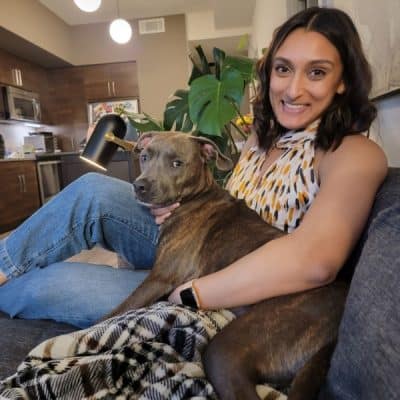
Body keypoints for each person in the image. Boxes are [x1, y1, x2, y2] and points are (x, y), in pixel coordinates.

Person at [0, 6, 388, 395]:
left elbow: (316, 261)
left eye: (316, 72)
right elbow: (223, 201)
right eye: (283, 69)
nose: (293, 89)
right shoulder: (262, 138)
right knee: (91, 190)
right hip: (196, 246)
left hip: (237, 287)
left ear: (343, 81)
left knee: (41, 286)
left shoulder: (351, 153)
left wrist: (195, 292)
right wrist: (180, 202)